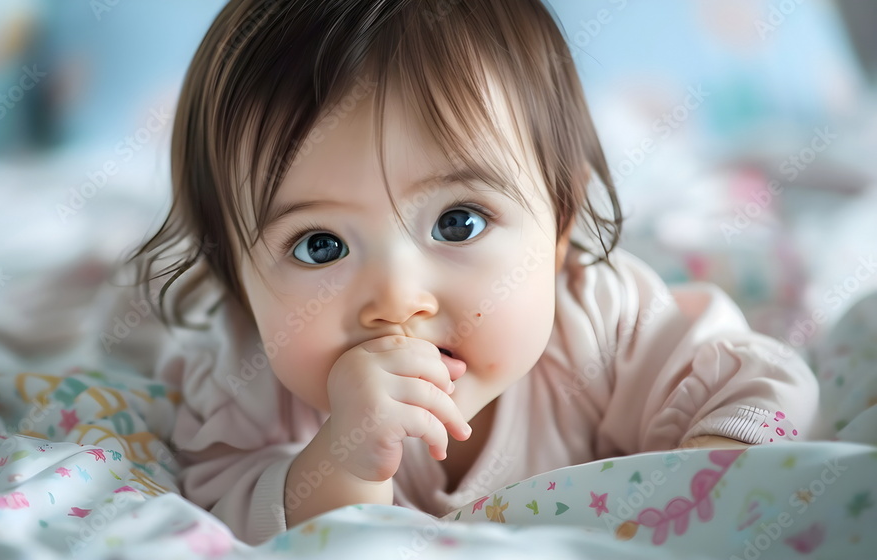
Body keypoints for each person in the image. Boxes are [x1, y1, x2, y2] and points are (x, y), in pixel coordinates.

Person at [128, 0, 819, 545]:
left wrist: (699, 493)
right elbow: (231, 518)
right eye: (319, 246)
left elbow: (762, 386)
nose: (397, 299)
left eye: (458, 222)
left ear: (560, 225)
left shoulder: (602, 325)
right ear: (235, 277)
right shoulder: (248, 387)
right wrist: (341, 462)